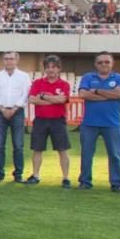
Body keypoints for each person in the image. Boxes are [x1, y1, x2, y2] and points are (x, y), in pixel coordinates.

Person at [77, 51, 120, 193]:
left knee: (115, 155)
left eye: (107, 62)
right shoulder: (88, 77)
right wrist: (110, 94)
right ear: (95, 64)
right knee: (86, 154)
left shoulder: (119, 78)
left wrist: (97, 91)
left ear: (112, 63)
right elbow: (83, 94)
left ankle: (117, 184)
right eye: (100, 62)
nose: (103, 64)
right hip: (89, 123)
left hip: (112, 123)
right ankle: (85, 182)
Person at [27, 55, 72, 188]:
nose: (51, 70)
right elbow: (32, 100)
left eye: (54, 67)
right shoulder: (37, 83)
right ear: (45, 69)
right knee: (37, 149)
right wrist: (52, 100)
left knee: (62, 149)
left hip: (58, 121)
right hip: (40, 120)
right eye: (48, 67)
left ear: (59, 69)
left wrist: (43, 96)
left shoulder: (64, 84)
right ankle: (35, 175)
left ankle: (65, 177)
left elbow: (62, 100)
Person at [0, 51, 31, 183]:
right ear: (3, 60)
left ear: (17, 60)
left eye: (11, 59)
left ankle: (18, 174)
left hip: (17, 112)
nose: (9, 61)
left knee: (18, 145)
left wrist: (15, 108)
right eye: (6, 59)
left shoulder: (24, 76)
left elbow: (26, 94)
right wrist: (1, 108)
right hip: (0, 112)